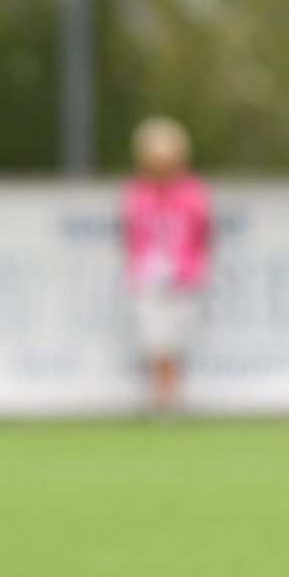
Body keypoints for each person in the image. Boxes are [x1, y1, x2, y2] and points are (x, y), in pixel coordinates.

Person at [120, 116, 211, 414]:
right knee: (154, 339)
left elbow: (202, 232)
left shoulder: (191, 193)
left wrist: (190, 267)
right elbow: (130, 234)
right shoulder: (136, 193)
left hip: (182, 278)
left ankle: (170, 397)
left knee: (173, 339)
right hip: (148, 277)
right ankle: (162, 399)